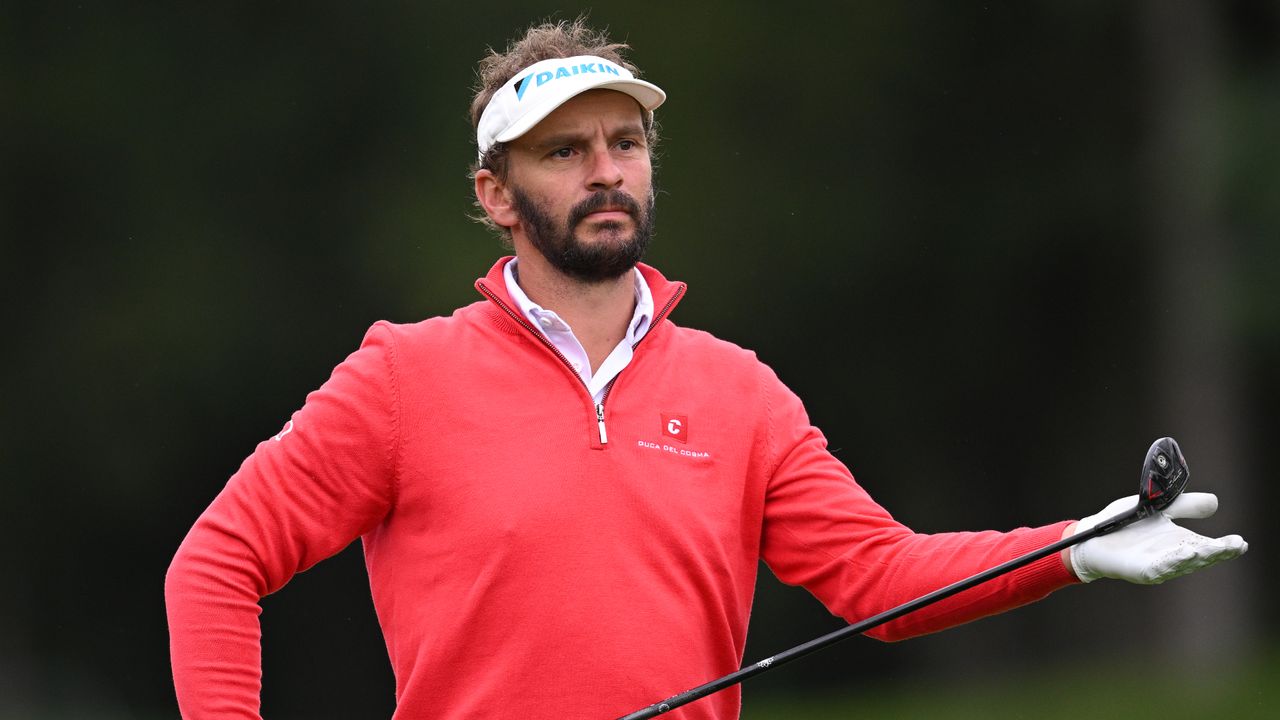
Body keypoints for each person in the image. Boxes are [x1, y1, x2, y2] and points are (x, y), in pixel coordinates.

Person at [165, 18, 1248, 720]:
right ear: (495, 193)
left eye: (623, 145)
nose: (604, 173)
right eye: (563, 152)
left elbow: (881, 580)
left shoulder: (739, 392)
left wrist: (1069, 547)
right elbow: (216, 563)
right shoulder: (402, 378)